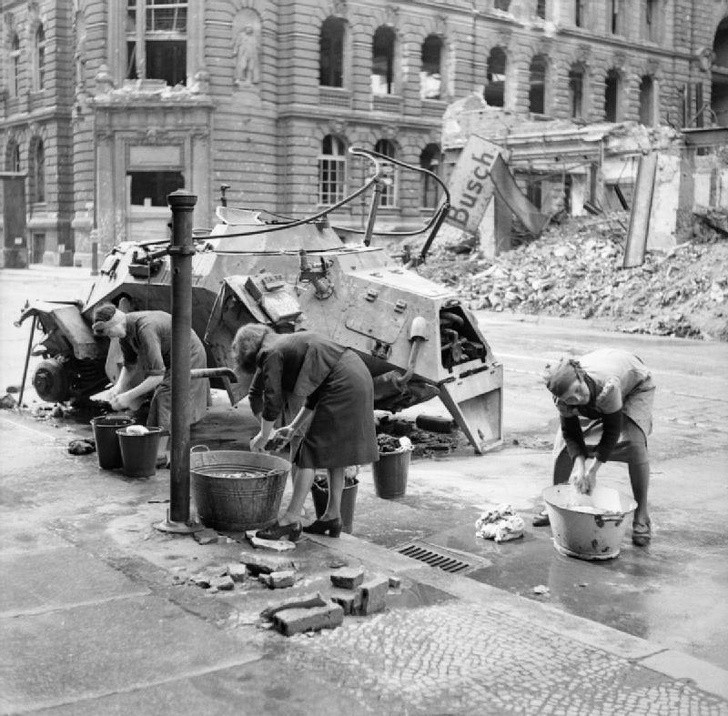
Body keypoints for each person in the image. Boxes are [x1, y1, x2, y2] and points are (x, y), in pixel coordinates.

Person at [232, 325, 378, 541]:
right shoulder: (283, 343)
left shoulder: (269, 352)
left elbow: (273, 400)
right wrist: (292, 428)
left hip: (343, 382)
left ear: (246, 348)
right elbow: (313, 394)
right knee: (335, 452)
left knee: (307, 453)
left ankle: (290, 519)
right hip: (356, 374)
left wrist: (263, 436)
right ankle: (332, 516)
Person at [534, 349, 656, 547]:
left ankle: (642, 516)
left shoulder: (608, 388)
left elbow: (611, 432)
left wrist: (592, 472)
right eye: (570, 398)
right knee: (563, 446)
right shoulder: (563, 398)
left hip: (635, 384)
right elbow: (571, 434)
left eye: (578, 391)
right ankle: (556, 506)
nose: (577, 399)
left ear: (582, 377)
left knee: (634, 445)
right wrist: (580, 468)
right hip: (602, 378)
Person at [91, 304, 210, 466]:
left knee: (164, 396)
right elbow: (130, 364)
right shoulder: (123, 333)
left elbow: (157, 376)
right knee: (162, 397)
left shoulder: (145, 329)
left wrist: (128, 396)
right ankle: (158, 449)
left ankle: (160, 455)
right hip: (171, 357)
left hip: (190, 354)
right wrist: (118, 388)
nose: (111, 337)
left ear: (116, 322)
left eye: (110, 331)